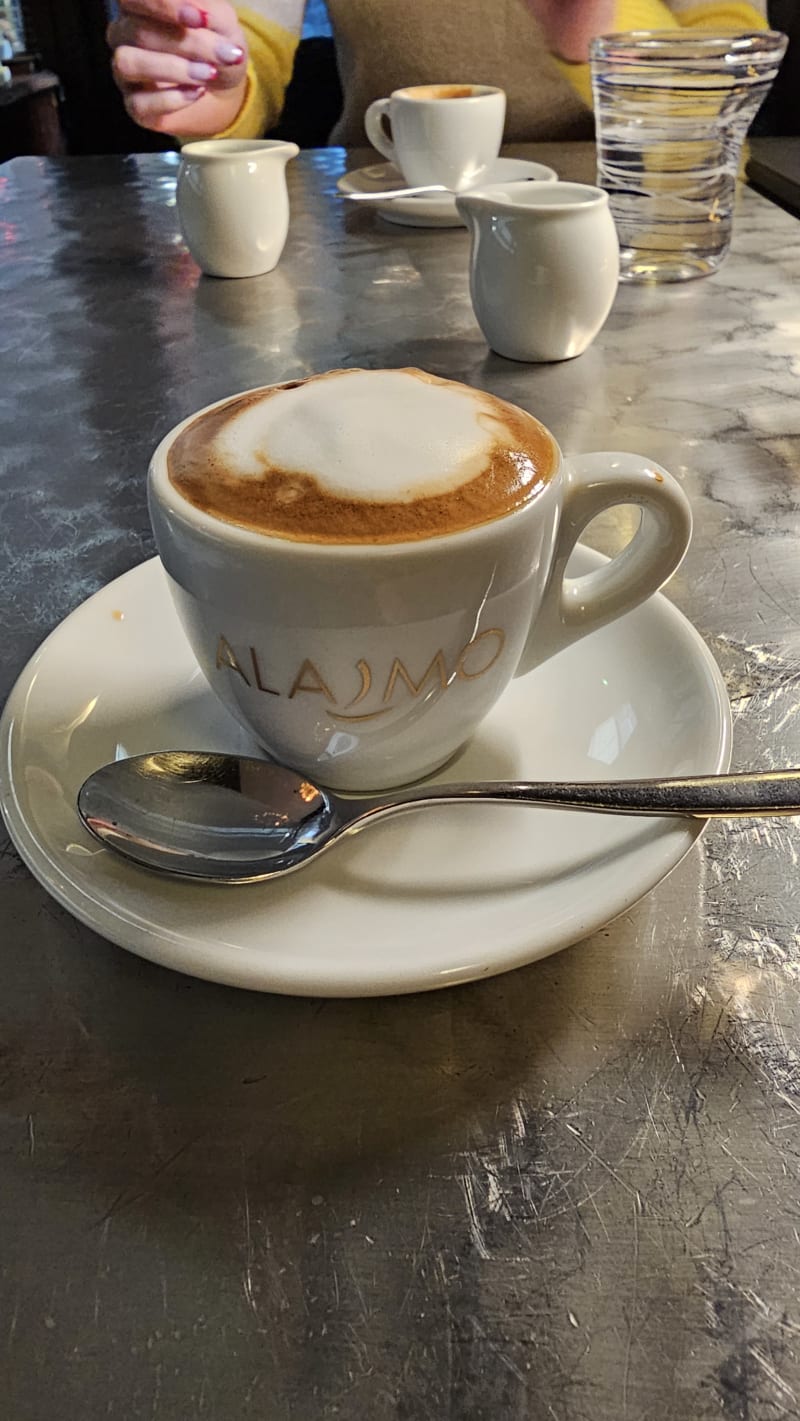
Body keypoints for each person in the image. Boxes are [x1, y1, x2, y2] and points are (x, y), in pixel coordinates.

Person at [108, 0, 770, 146]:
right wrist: (204, 75)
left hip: (640, 235)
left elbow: (732, 63)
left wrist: (602, 33)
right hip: (380, 244)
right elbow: (245, 42)